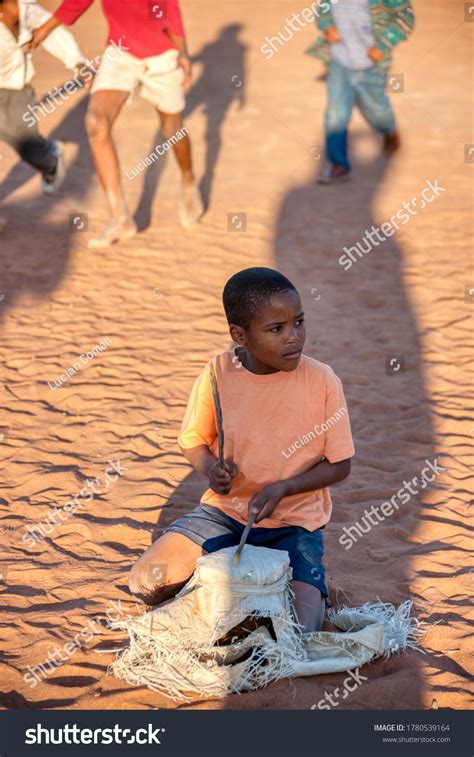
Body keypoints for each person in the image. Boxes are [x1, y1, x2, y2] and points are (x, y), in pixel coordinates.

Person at [128, 267, 355, 633]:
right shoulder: (219, 372)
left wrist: (283, 488)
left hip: (293, 523)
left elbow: (340, 465)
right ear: (240, 335)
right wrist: (210, 467)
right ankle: (227, 585)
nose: (294, 337)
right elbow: (193, 441)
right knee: (146, 582)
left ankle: (266, 589)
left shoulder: (322, 380)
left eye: (299, 322)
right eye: (276, 329)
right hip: (225, 513)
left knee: (302, 628)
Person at [26, 0, 203, 249]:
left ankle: (188, 181)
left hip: (162, 53)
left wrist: (182, 51)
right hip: (121, 52)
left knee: (172, 129)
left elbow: (168, 8)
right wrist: (44, 30)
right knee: (96, 122)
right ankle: (120, 218)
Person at [307, 0, 415, 184]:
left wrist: (383, 45)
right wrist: (327, 25)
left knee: (375, 109)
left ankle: (389, 131)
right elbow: (323, 8)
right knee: (336, 114)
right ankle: (338, 164)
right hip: (339, 61)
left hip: (372, 65)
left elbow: (406, 17)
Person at [0, 0, 87, 195]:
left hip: (16, 91)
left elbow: (50, 30)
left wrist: (77, 62)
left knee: (28, 147)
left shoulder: (22, 9)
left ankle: (51, 158)